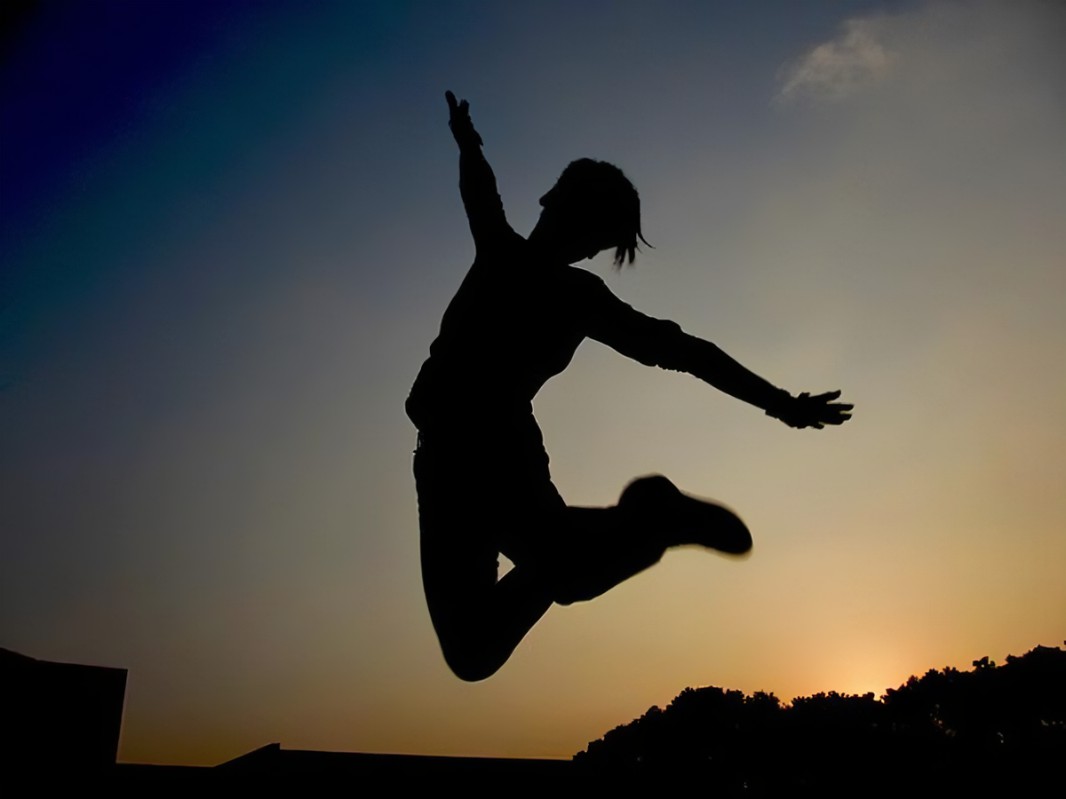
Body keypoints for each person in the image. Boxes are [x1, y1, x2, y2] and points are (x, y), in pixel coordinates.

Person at [406, 91, 852, 681]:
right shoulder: (510, 257)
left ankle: (648, 519)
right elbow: (479, 189)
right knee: (475, 649)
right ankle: (629, 527)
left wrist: (779, 404)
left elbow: (684, 351)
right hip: (442, 463)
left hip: (493, 454)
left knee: (545, 588)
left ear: (585, 236)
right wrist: (467, 144)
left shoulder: (562, 289)